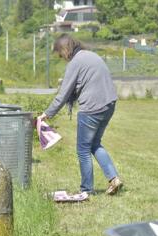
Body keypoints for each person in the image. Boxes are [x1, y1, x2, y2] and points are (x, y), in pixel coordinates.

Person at [38, 34, 122, 196]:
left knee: (83, 149)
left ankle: (86, 189)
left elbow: (63, 94)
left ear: (65, 50)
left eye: (60, 55)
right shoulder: (92, 55)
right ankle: (114, 178)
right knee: (95, 144)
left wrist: (47, 114)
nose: (62, 58)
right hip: (109, 104)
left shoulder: (75, 63)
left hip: (91, 108)